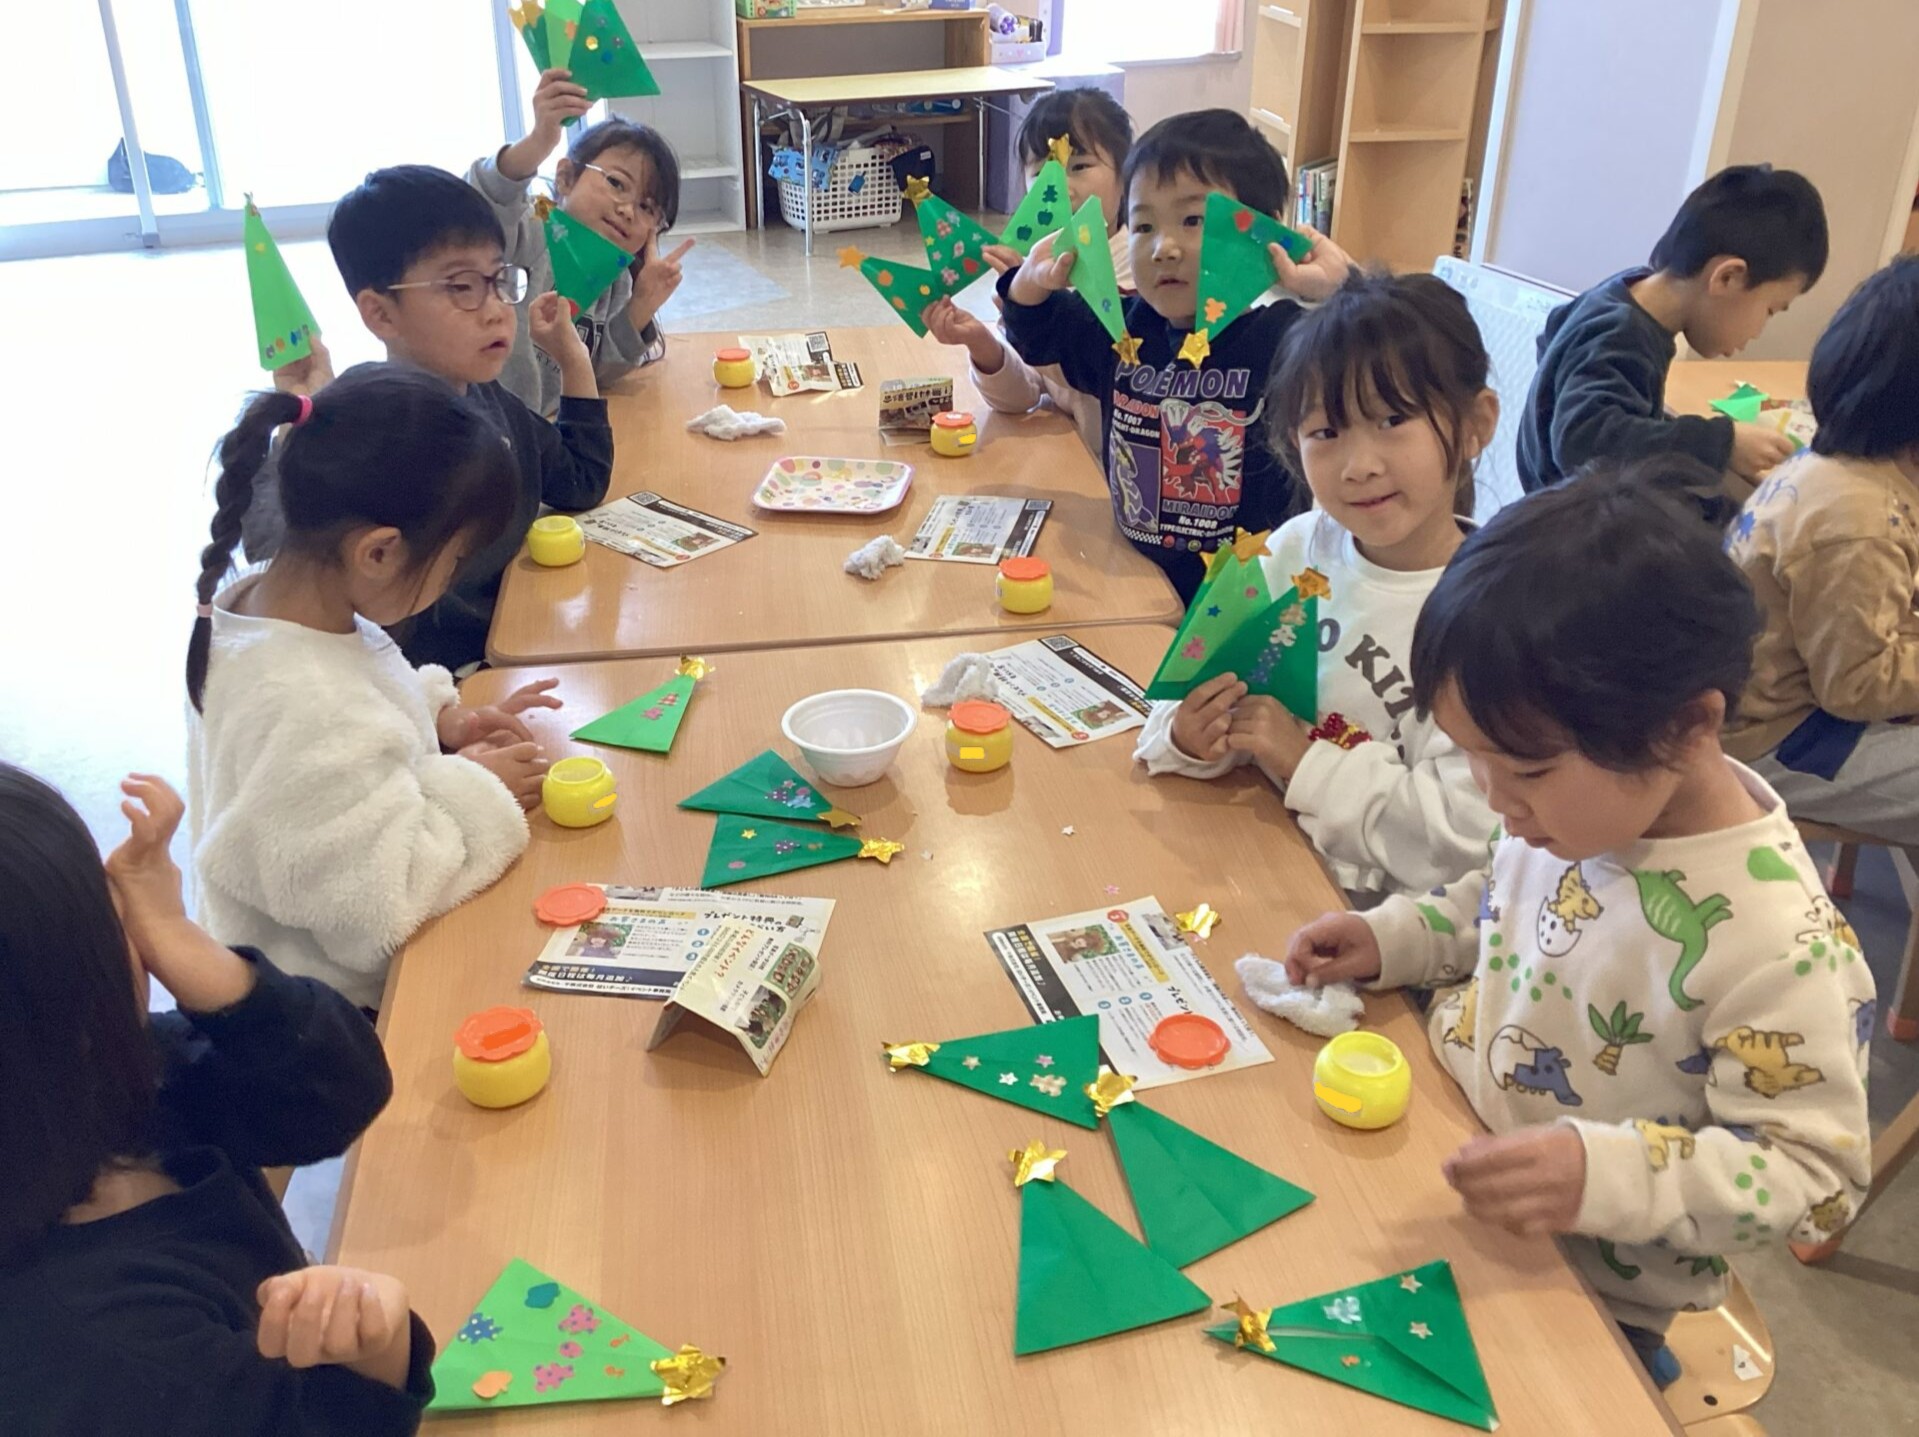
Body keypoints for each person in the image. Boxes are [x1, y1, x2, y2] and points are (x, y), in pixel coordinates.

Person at [1281, 462, 1871, 1386]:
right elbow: (1498, 900)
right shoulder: (1573, 814)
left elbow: (1815, 1179)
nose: (1495, 800)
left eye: (1524, 770)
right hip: (1453, 1150)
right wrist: (1395, 937)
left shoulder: (1778, 943)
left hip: (1594, 1294)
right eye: (1473, 760)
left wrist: (1603, 1174)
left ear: (1686, 727)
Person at [0, 766, 435, 1432]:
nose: (130, 912)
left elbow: (339, 1093)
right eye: (107, 905)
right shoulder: (109, 1352)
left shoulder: (120, 1079)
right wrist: (381, 1352)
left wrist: (181, 938)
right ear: (75, 995)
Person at [190, 365, 547, 1012]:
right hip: (339, 1015)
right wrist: (476, 785)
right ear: (378, 553)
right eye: (454, 560)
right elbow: (377, 907)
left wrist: (438, 718)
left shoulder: (271, 604)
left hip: (307, 972)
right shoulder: (306, 704)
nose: (453, 575)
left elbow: (357, 693)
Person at [1135, 271, 1499, 901]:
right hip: (1255, 867)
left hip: (1386, 933)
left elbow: (1463, 841)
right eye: (1326, 433)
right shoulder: (1296, 549)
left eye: (1393, 419)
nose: (1359, 466)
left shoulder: (1494, 621)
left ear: (1475, 424)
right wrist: (1187, 736)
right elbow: (1182, 696)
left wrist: (1304, 761)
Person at [246, 164, 614, 672]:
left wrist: (572, 358)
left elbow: (581, 481)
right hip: (423, 689)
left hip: (512, 650)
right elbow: (273, 553)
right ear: (380, 314)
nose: (497, 310)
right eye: (462, 286)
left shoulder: (487, 400)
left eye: (498, 280)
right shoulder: (372, 429)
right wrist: (303, 425)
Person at [998, 108, 1355, 601]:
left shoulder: (1285, 340)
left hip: (1245, 603)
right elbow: (1036, 332)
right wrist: (1029, 281)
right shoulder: (1122, 329)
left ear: (1261, 236)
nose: (1163, 247)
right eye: (1144, 225)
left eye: (1193, 220)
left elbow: (1394, 357)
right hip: (1126, 580)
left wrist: (1344, 286)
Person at [1725, 255, 1919, 841]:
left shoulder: (1844, 464)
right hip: (1780, 739)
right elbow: (1857, 685)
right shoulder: (1858, 518)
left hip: (1795, 702)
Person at [1517, 165, 1828, 509]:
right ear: (1727, 277)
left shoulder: (1621, 295)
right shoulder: (1623, 333)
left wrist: (1662, 428)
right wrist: (1721, 443)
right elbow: (1582, 440)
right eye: (1770, 310)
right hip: (1574, 524)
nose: (1757, 332)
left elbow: (1555, 337)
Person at [922, 87, 1135, 457]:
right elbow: (1021, 397)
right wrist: (983, 344)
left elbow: (1098, 366)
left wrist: (1033, 308)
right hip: (1074, 464)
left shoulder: (1140, 274)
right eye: (1040, 173)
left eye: (1079, 167)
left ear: (1127, 175)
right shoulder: (1034, 270)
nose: (1060, 190)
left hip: (1121, 474)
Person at [471, 76, 690, 416]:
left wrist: (641, 304)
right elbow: (486, 199)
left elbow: (597, 372)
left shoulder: (617, 280)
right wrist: (538, 142)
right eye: (616, 183)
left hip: (545, 429)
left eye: (647, 207)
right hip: (482, 426)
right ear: (565, 178)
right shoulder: (533, 226)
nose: (627, 210)